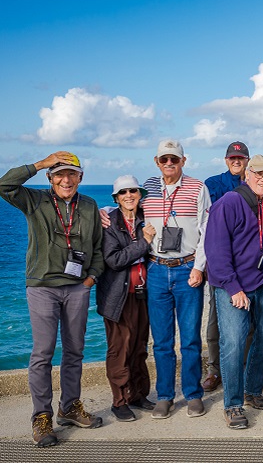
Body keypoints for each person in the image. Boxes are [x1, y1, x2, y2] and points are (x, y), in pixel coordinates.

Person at [0, 151, 104, 447]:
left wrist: (91, 278)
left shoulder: (90, 206)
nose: (65, 180)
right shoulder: (35, 200)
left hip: (77, 288)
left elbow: (98, 247)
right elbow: (2, 186)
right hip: (42, 287)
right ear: (50, 178)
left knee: (75, 351)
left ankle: (69, 407)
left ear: (81, 177)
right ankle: (41, 417)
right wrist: (40, 162)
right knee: (43, 353)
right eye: (58, 174)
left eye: (71, 174)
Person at [205, 155, 263, 429]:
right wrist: (233, 288)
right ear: (247, 174)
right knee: (234, 344)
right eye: (259, 174)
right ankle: (233, 404)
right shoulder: (229, 203)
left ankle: (253, 390)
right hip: (233, 286)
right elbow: (215, 250)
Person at [142, 139, 210, 419]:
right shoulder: (148, 188)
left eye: (174, 159)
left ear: (183, 161)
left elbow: (207, 229)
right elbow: (127, 209)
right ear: (156, 162)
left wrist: (199, 267)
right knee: (161, 341)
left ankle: (193, 394)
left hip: (186, 269)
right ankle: (166, 395)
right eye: (164, 160)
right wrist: (105, 213)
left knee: (191, 339)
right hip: (156, 269)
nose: (169, 164)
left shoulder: (197, 187)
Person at [96, 175, 156, 422]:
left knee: (140, 346)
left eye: (133, 191)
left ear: (140, 194)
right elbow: (115, 259)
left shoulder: (145, 218)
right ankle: (119, 401)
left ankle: (138, 394)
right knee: (119, 349)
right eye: (123, 193)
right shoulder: (108, 223)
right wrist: (144, 243)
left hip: (144, 294)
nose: (129, 196)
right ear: (116, 198)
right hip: (118, 297)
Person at [201, 141, 250, 393]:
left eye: (240, 158)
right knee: (216, 318)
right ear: (226, 159)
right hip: (221, 264)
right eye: (233, 158)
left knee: (249, 320)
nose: (236, 161)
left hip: (250, 265)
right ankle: (214, 368)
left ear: (247, 161)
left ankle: (241, 367)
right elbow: (209, 220)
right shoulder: (213, 184)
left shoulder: (254, 184)